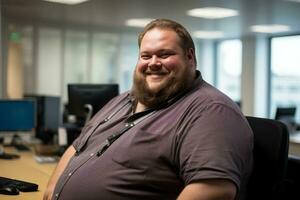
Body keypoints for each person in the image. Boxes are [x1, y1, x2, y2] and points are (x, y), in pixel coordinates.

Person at [44, 19, 253, 200]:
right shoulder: (124, 100)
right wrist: (54, 189)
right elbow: (78, 147)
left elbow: (214, 191)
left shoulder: (210, 110)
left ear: (190, 56)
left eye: (164, 54)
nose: (153, 63)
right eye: (146, 56)